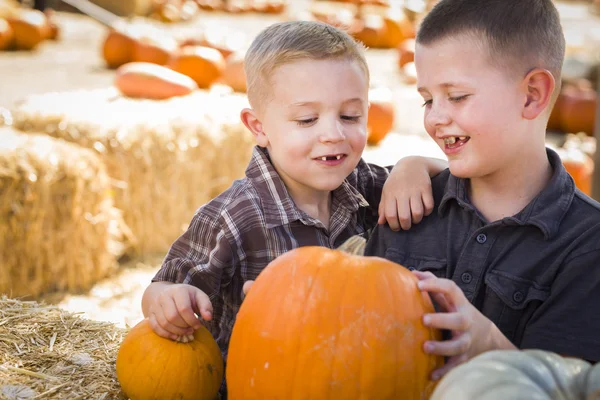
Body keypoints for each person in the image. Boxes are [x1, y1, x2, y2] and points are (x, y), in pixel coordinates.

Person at [141, 19, 447, 383]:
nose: (332, 134)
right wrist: (170, 300)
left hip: (352, 379)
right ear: (258, 127)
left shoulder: (368, 184)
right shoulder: (232, 216)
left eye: (350, 116)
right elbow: (162, 287)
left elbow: (458, 185)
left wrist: (416, 165)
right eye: (307, 119)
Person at [364, 0, 600, 382]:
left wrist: (489, 344)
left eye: (456, 96)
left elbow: (570, 388)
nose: (435, 118)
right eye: (427, 99)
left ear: (532, 95)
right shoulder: (406, 204)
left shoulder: (587, 245)